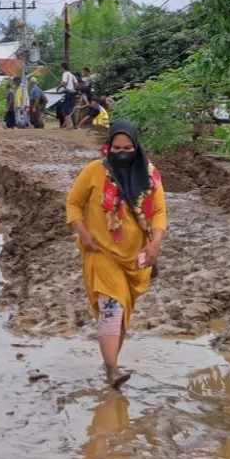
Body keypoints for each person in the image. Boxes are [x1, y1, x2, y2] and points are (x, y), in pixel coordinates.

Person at [66, 120, 167, 388]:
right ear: (108, 146)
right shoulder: (94, 171)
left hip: (134, 258)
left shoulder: (149, 174)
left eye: (127, 147)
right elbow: (74, 204)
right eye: (116, 147)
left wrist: (155, 243)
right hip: (100, 253)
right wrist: (84, 234)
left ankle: (110, 362)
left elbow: (158, 212)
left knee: (121, 313)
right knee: (112, 308)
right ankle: (112, 369)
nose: (122, 152)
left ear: (136, 146)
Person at [59, 62, 78, 129]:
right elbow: (76, 84)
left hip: (68, 92)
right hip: (73, 92)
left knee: (65, 109)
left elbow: (64, 83)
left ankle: (69, 125)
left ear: (63, 68)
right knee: (69, 108)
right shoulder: (71, 74)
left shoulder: (65, 73)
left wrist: (59, 87)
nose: (60, 69)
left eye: (60, 68)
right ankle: (70, 124)